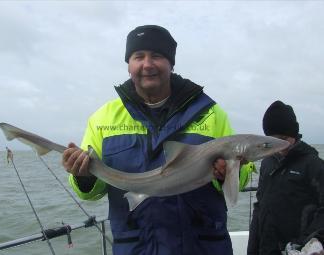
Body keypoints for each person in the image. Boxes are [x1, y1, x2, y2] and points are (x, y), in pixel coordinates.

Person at [62, 25, 255, 255]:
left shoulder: (211, 113)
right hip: (136, 248)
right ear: (129, 65)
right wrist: (82, 177)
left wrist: (229, 174)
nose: (147, 64)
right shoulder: (102, 119)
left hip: (202, 247)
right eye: (138, 56)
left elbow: (239, 182)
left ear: (171, 63)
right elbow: (91, 193)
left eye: (157, 56)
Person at [247, 100, 324, 255]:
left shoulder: (313, 165)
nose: (279, 145)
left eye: (283, 138)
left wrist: (314, 239)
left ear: (293, 134)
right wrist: (252, 248)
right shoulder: (267, 163)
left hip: (298, 249)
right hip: (267, 248)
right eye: (273, 140)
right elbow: (260, 207)